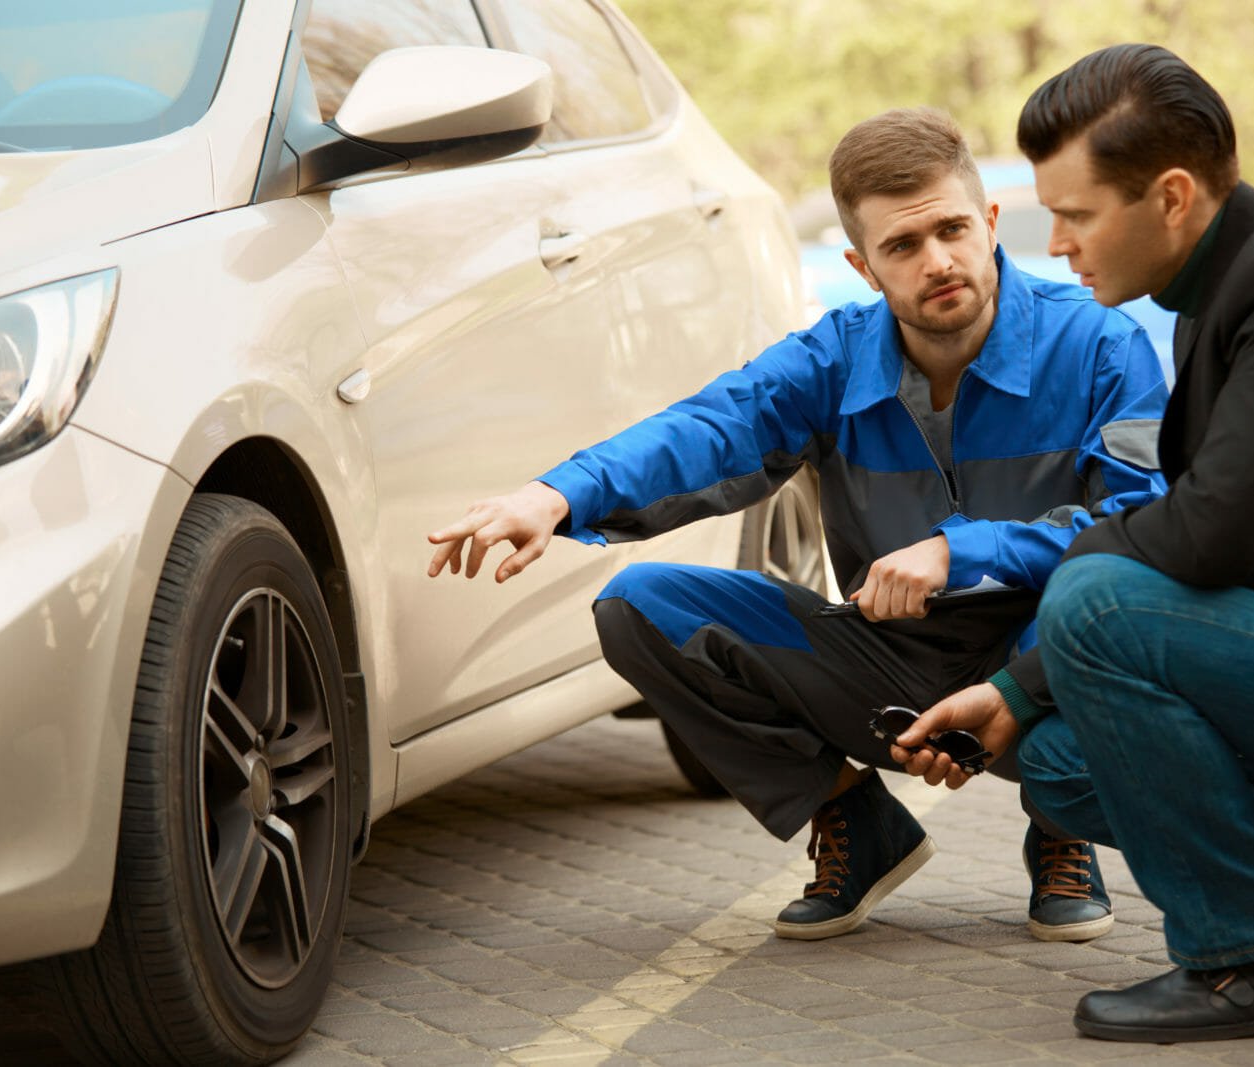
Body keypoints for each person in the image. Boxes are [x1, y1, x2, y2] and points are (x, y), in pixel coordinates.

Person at [427, 107, 1169, 944]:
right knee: (638, 606)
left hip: (1039, 662)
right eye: (902, 246)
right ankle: (854, 819)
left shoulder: (1103, 346)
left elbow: (1141, 526)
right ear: (862, 263)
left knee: (1096, 616)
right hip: (885, 658)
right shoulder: (830, 359)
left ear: (989, 222)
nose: (939, 261)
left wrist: (961, 549)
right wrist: (556, 495)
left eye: (953, 229)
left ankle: (1061, 825)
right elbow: (708, 428)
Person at [892, 44, 1254, 1043]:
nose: (1058, 244)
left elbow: (1206, 535)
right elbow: (1215, 532)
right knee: (1062, 758)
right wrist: (1019, 692)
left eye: (1075, 215)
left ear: (1169, 196)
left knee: (1093, 602)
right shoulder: (1235, 282)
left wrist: (1059, 613)